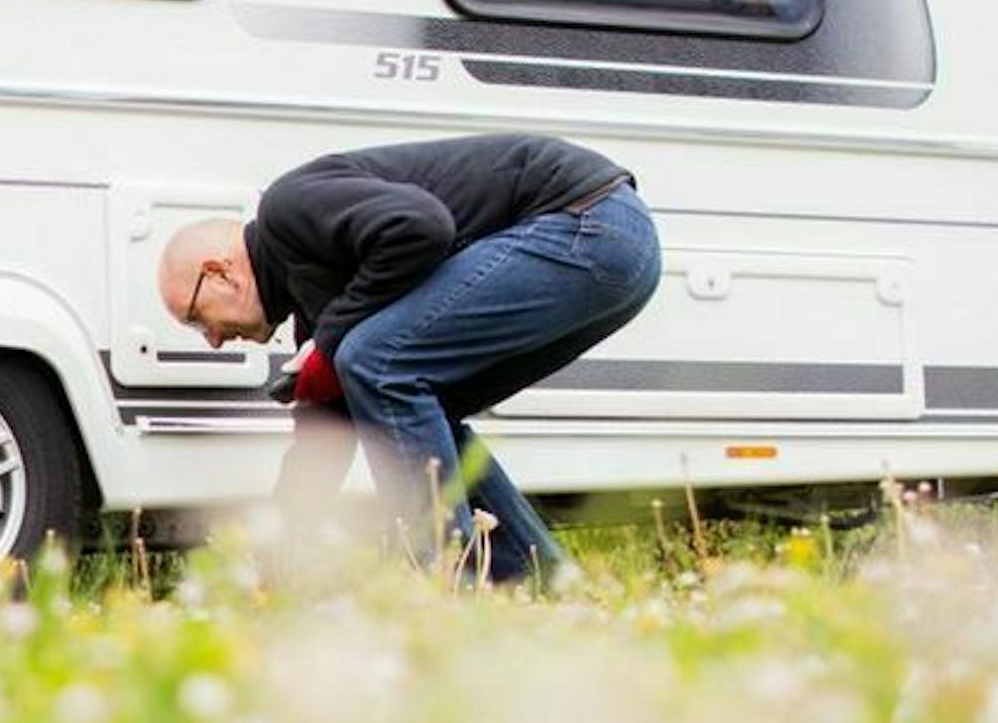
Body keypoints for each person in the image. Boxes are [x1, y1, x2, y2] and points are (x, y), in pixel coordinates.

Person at [157, 133, 659, 582]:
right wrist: (271, 559)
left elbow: (422, 226)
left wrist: (330, 345)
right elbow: (324, 441)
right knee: (407, 397)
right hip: (609, 247)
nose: (214, 340)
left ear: (221, 272)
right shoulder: (317, 300)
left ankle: (444, 582)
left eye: (198, 318)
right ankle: (539, 585)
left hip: (588, 224)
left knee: (373, 362)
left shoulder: (289, 211)